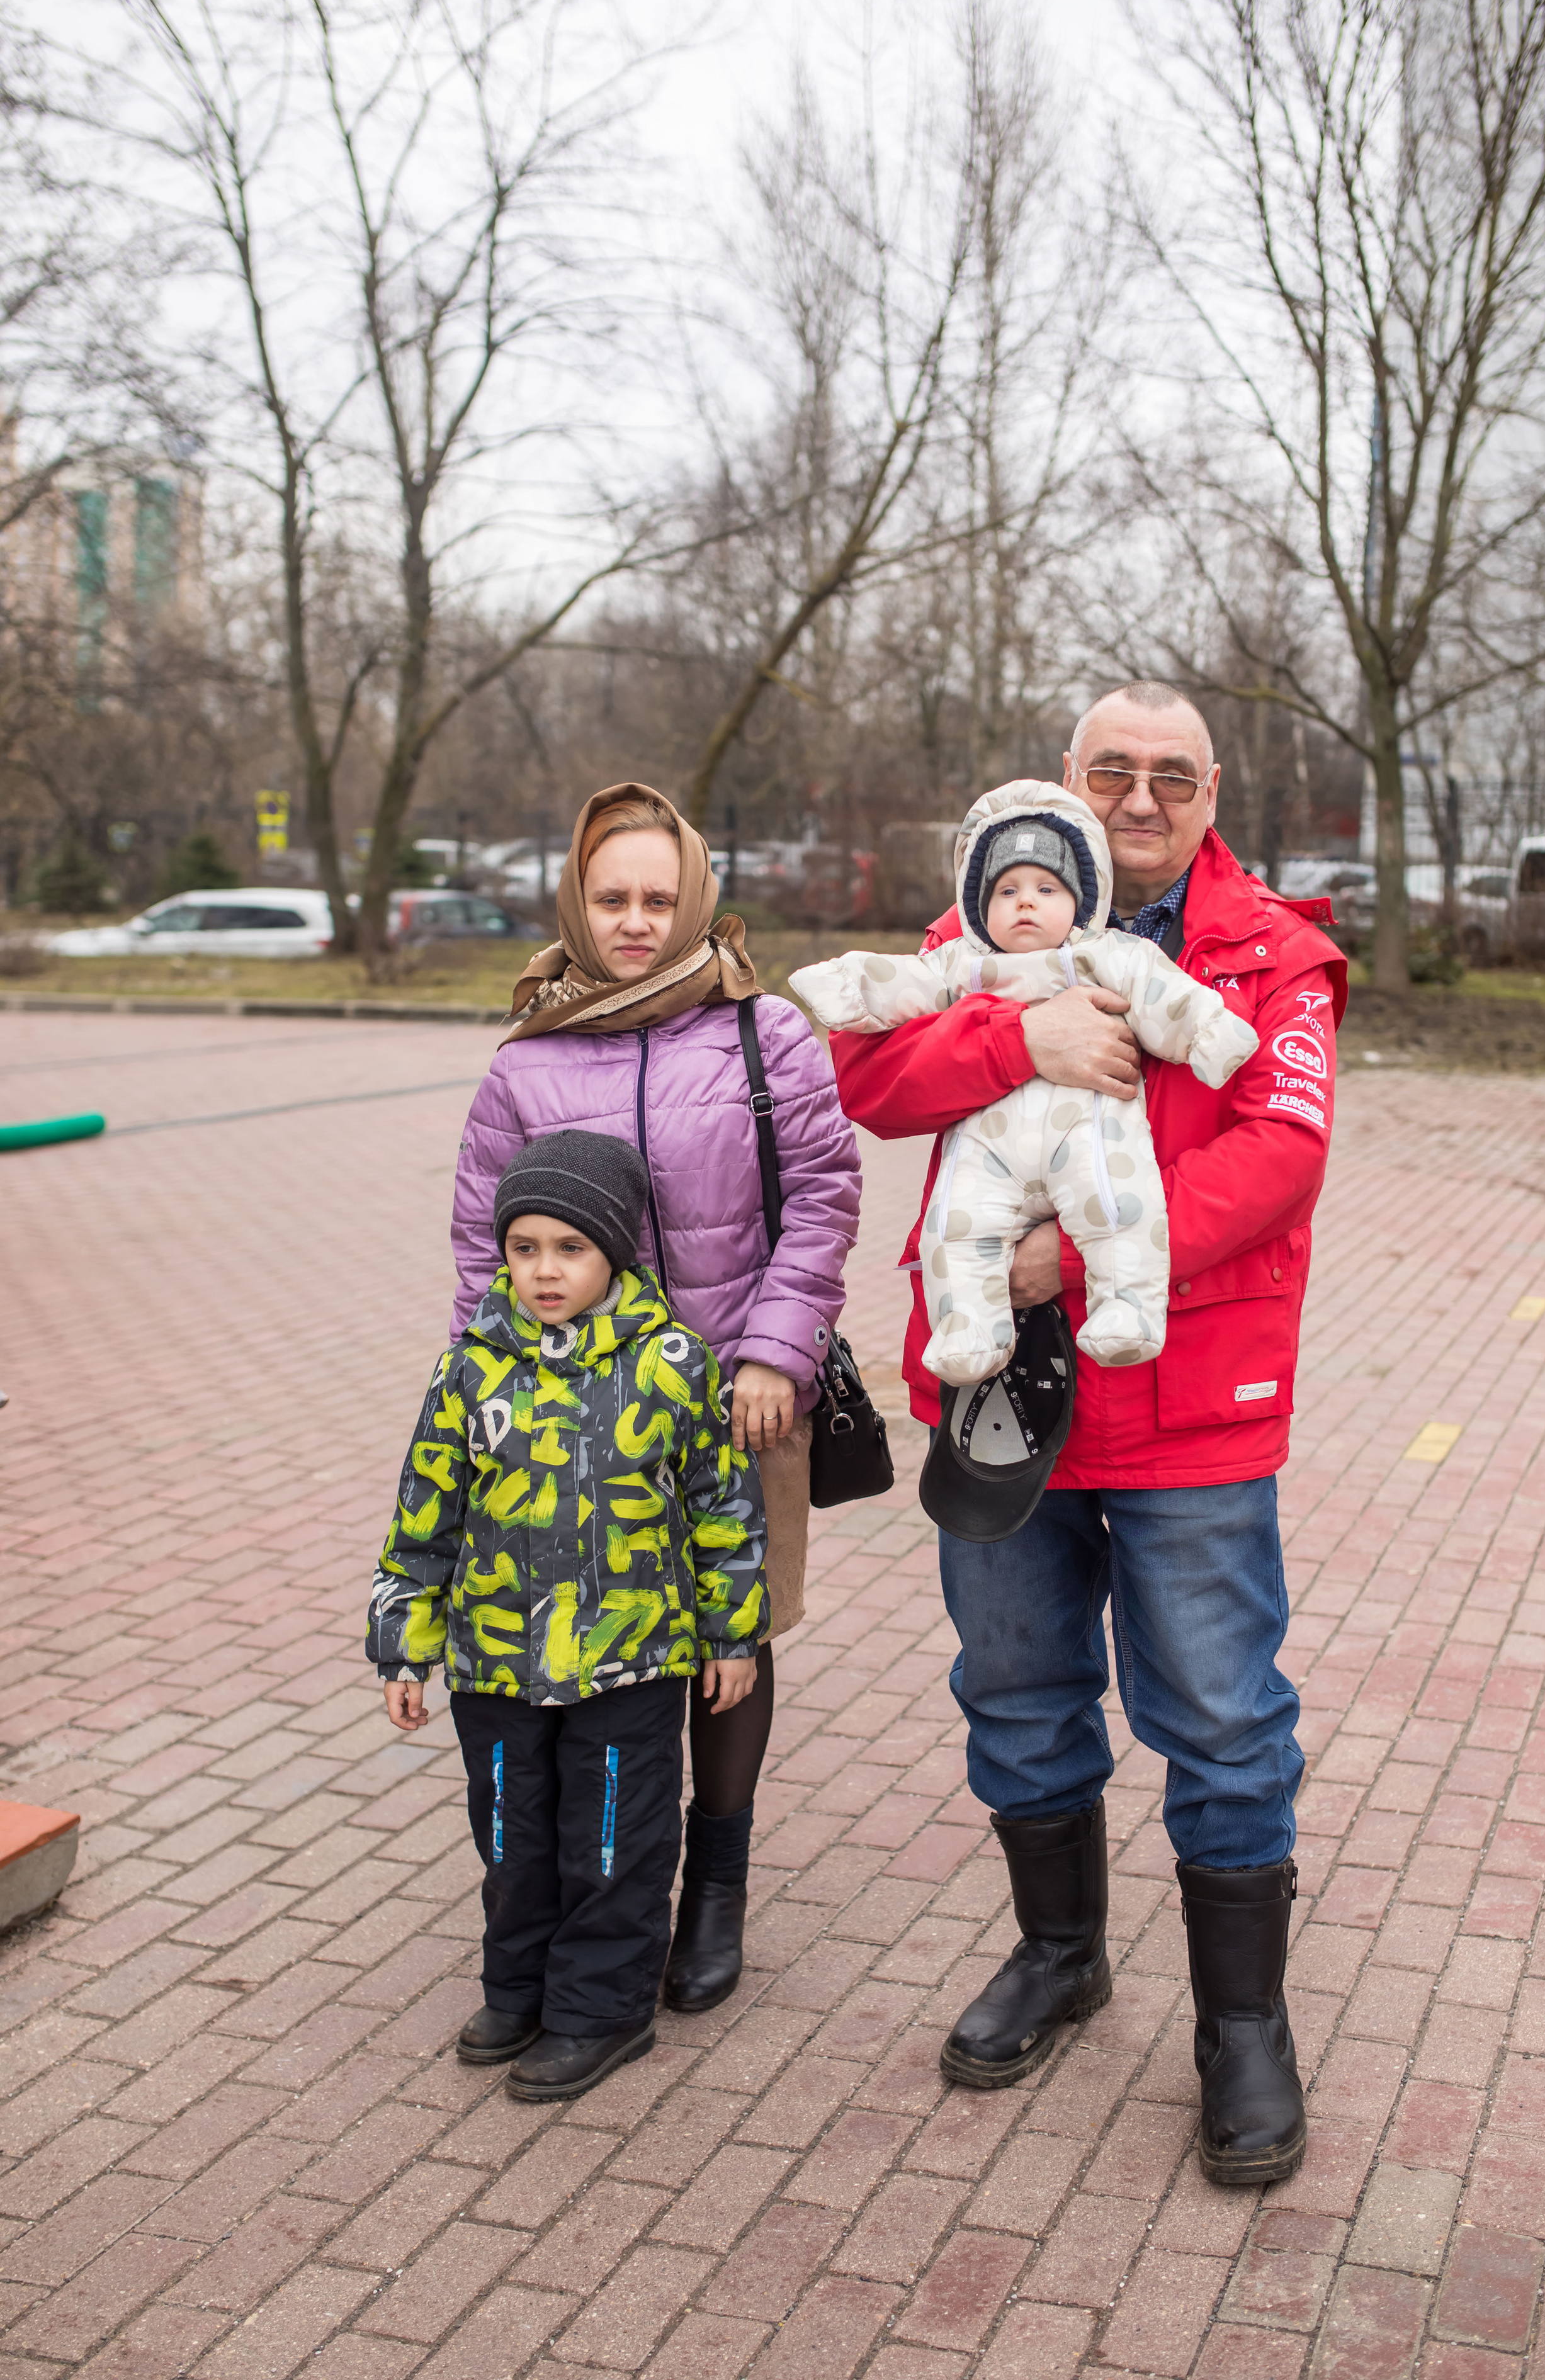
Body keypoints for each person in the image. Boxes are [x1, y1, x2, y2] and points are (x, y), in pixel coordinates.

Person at [830, 680, 1347, 2188]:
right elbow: (867, 1081)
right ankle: (1059, 1955)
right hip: (997, 1398)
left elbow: (1282, 1147)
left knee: (1220, 1713)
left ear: (1209, 791)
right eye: (1108, 768)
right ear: (1065, 775)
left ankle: (1239, 2024)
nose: (1136, 797)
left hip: (1183, 1396)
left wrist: (1086, 1256)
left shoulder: (1278, 953)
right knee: (1014, 1687)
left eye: (1168, 775)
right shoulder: (975, 919)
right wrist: (1022, 1035)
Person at [450, 784, 861, 2012]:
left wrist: (772, 1354)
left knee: (729, 1635)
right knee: (607, 1657)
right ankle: (608, 1889)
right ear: (577, 903)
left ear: (695, 899)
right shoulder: (527, 1058)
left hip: (739, 1401)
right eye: (611, 899)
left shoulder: (763, 1034)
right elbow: (485, 1243)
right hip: (574, 1426)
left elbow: (824, 1199)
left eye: (657, 899)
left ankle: (716, 1887)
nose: (635, 922)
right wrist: (493, 1394)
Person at [366, 1131, 769, 2102]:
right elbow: (425, 1515)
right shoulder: (467, 1370)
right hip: (498, 1662)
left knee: (612, 1842)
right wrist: (405, 1648)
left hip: (629, 1662)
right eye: (525, 1248)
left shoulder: (674, 1364)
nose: (545, 1270)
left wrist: (732, 1635)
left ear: (614, 1252)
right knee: (512, 1833)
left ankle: (601, 2010)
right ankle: (518, 1988)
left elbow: (724, 1509)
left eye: (570, 1248)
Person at [790, 777, 1257, 1382]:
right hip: (990, 1148)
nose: (1026, 903)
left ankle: (1127, 1311)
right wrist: (849, 987)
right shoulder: (962, 962)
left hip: (1089, 1134)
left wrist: (1206, 1034)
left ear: (1083, 897)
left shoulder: (1109, 956)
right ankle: (969, 1331)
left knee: (1119, 1208)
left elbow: (1167, 999)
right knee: (955, 1227)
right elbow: (901, 987)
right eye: (1007, 890)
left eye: (1046, 888)